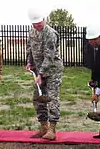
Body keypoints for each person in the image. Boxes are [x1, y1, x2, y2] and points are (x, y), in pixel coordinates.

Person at [26, 8, 64, 140]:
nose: (37, 26)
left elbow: (49, 56)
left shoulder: (50, 34)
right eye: (35, 24)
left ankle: (52, 130)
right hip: (38, 71)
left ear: (44, 20)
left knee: (52, 99)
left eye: (39, 23)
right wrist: (29, 62)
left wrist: (41, 74)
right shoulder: (31, 32)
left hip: (53, 71)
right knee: (38, 99)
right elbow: (30, 48)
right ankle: (43, 127)